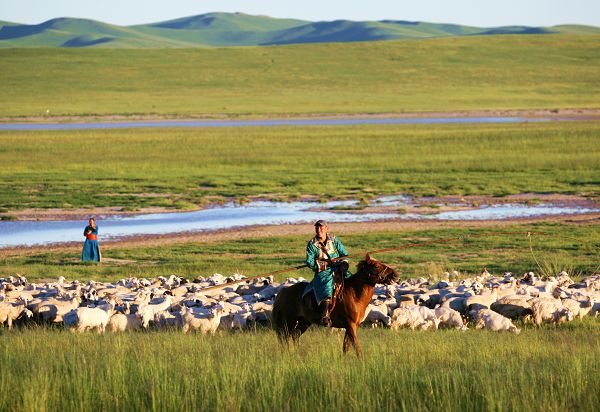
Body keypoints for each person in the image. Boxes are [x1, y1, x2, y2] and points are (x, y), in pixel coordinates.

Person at [305, 220, 350, 326]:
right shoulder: (312, 244)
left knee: (349, 279)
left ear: (326, 229)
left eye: (321, 227)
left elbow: (344, 254)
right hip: (323, 271)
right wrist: (323, 265)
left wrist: (344, 263)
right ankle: (324, 314)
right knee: (326, 284)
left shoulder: (334, 240)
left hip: (338, 268)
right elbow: (309, 262)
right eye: (317, 227)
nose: (318, 230)